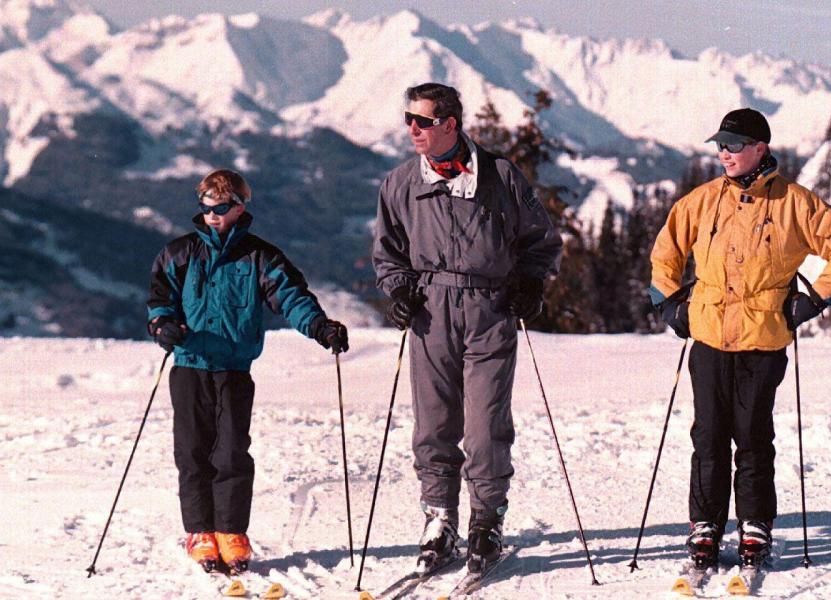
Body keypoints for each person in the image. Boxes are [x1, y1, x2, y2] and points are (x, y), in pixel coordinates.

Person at [650, 108, 831, 568]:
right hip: (707, 337)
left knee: (751, 436)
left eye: (734, 145)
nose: (724, 153)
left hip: (763, 339)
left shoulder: (797, 203)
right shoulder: (701, 201)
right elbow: (664, 254)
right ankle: (704, 526)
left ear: (760, 148)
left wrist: (813, 301)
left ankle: (755, 525)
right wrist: (668, 303)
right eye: (720, 145)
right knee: (707, 436)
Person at [372, 83, 562, 575]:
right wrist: (400, 291)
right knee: (433, 423)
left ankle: (486, 516)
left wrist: (530, 284)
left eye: (423, 121)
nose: (412, 129)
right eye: (408, 118)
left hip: (490, 308)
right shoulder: (399, 183)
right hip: (430, 311)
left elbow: (541, 239)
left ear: (450, 125)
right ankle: (439, 517)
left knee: (484, 425)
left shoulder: (500, 176)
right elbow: (388, 252)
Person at [146, 169, 349, 573]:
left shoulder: (260, 256)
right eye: (205, 209)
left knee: (232, 452)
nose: (212, 216)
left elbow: (291, 297)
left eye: (220, 209)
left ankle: (231, 531)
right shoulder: (180, 252)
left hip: (234, 369)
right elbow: (159, 297)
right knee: (192, 452)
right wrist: (162, 325)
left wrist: (320, 326)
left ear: (239, 207)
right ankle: (200, 532)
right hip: (189, 366)